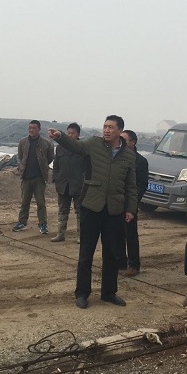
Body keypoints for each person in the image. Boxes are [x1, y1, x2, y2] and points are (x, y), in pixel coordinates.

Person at [48, 115, 137, 309]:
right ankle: (82, 293)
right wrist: (60, 136)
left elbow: (131, 185)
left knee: (111, 254)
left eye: (110, 127)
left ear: (120, 131)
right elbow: (75, 146)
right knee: (86, 253)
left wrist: (131, 208)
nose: (106, 130)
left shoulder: (128, 155)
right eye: (105, 126)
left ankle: (109, 292)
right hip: (91, 206)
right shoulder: (93, 144)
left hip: (114, 209)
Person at [12, 120, 55, 234]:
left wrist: (43, 166)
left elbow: (50, 157)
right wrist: (22, 168)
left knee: (41, 203)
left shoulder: (47, 144)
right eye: (30, 128)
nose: (31, 130)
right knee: (24, 201)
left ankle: (43, 224)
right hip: (26, 177)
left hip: (39, 177)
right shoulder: (23, 142)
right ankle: (22, 222)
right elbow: (21, 157)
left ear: (39, 129)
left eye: (34, 128)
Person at [118, 130, 148, 277]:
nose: (122, 143)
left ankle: (134, 265)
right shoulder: (118, 156)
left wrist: (133, 202)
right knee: (117, 234)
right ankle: (120, 263)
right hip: (116, 202)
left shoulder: (140, 161)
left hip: (130, 203)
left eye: (125, 140)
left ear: (133, 142)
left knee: (130, 235)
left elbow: (142, 185)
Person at [50, 123, 85, 243]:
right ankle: (60, 234)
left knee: (80, 212)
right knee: (62, 211)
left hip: (78, 185)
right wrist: (57, 179)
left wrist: (84, 181)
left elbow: (87, 167)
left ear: (78, 134)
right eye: (68, 133)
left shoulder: (82, 148)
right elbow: (56, 165)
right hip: (63, 185)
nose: (70, 135)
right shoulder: (60, 148)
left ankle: (81, 236)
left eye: (72, 133)